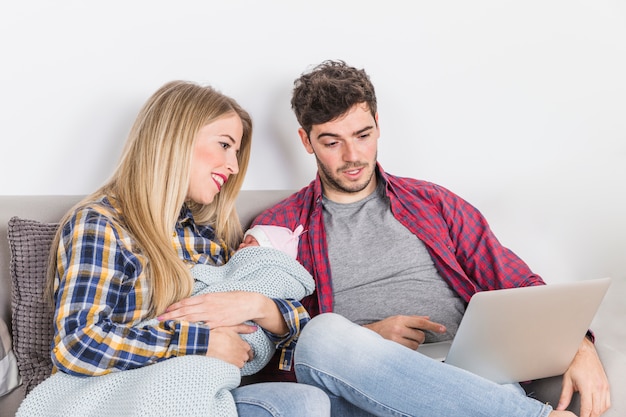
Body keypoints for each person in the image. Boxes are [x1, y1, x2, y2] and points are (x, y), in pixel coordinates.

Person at [249, 60, 611, 417]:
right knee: (322, 335)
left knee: (480, 385)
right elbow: (258, 347)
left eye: (362, 136)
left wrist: (580, 345)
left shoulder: (433, 202)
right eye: (332, 142)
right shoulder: (280, 227)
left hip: (465, 378)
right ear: (306, 140)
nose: (353, 156)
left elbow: (519, 283)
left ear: (377, 125)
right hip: (359, 388)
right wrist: (368, 336)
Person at [18, 81, 330, 417]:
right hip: (130, 394)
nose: (234, 166)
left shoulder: (206, 237)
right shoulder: (101, 224)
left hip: (205, 386)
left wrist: (256, 304)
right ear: (175, 140)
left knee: (306, 402)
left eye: (236, 151)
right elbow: (78, 344)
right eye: (224, 145)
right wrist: (201, 343)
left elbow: (296, 323)